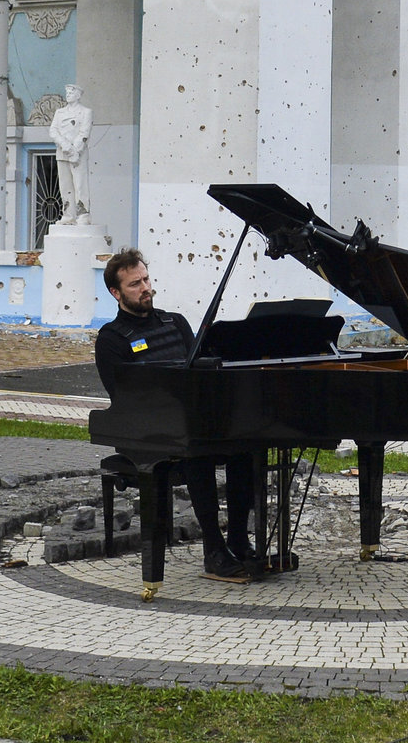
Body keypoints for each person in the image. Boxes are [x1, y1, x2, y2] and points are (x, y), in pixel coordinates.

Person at [93, 248, 256, 581]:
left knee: (246, 447)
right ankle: (214, 550)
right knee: (195, 452)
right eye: (135, 284)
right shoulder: (111, 339)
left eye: (147, 279)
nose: (145, 288)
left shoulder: (175, 322)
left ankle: (239, 538)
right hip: (142, 433)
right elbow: (124, 398)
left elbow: (200, 373)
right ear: (116, 292)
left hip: (188, 422)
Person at [50, 84, 92, 225]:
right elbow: (53, 131)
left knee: (80, 184)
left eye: (71, 92)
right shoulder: (59, 113)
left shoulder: (86, 112)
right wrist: (67, 147)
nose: (68, 94)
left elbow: (84, 133)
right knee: (65, 185)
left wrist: (75, 150)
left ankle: (83, 214)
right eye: (67, 92)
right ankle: (68, 215)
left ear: (78, 95)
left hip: (78, 154)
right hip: (63, 152)